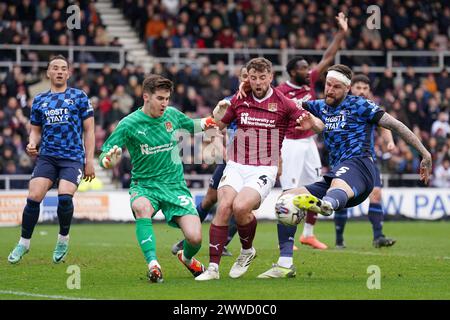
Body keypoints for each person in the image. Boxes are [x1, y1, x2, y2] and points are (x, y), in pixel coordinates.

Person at [266, 64, 431, 277]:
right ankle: (285, 264)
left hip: (361, 167)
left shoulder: (361, 105)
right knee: (285, 200)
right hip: (337, 175)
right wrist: (249, 89)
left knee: (338, 182)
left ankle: (326, 205)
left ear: (347, 88)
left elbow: (396, 125)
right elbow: (281, 103)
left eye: (336, 87)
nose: (330, 90)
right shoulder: (319, 106)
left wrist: (425, 154)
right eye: (327, 85)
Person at [195, 57, 324, 281]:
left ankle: (247, 251)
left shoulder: (284, 102)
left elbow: (318, 126)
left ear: (271, 77)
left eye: (262, 77)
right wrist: (215, 128)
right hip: (236, 164)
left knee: (241, 207)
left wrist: (312, 123)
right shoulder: (239, 99)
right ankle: (213, 268)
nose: (257, 82)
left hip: (263, 168)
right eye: (253, 78)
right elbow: (218, 127)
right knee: (223, 206)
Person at [99, 74, 216, 283]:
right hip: (144, 186)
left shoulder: (172, 115)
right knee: (142, 208)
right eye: (160, 98)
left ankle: (187, 258)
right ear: (146, 97)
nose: (164, 103)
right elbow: (106, 151)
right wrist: (108, 161)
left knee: (195, 238)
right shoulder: (129, 123)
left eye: (167, 98)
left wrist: (213, 119)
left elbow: (192, 125)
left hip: (175, 187)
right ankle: (153, 265)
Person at [8, 55, 95, 264]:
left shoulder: (79, 96)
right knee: (33, 196)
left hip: (72, 158)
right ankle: (24, 243)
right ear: (48, 72)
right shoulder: (39, 100)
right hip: (47, 157)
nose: (59, 71)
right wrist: (31, 143)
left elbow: (89, 130)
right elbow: (35, 130)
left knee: (65, 198)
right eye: (55, 68)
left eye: (63, 68)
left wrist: (89, 160)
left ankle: (63, 239)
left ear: (68, 73)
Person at [275, 12, 349, 253]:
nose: (308, 71)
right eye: (302, 68)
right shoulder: (281, 91)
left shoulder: (310, 82)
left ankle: (308, 235)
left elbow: (328, 58)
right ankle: (286, 240)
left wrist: (341, 33)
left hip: (309, 143)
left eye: (308, 67)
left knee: (315, 187)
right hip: (290, 144)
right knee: (289, 192)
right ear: (291, 72)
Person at [170, 68, 251, 257]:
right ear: (240, 78)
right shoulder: (230, 102)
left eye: (252, 77)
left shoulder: (263, 103)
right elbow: (212, 129)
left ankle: (223, 243)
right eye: (245, 76)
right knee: (209, 199)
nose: (249, 80)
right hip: (229, 161)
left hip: (252, 164)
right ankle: (187, 240)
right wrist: (223, 152)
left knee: (239, 205)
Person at [333, 74, 397, 249]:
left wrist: (389, 141)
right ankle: (339, 239)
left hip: (368, 160)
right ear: (350, 88)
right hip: (343, 160)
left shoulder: (370, 108)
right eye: (358, 88)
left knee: (376, 194)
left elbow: (384, 126)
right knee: (344, 197)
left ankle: (378, 237)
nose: (361, 91)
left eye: (365, 88)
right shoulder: (340, 107)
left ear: (369, 91)